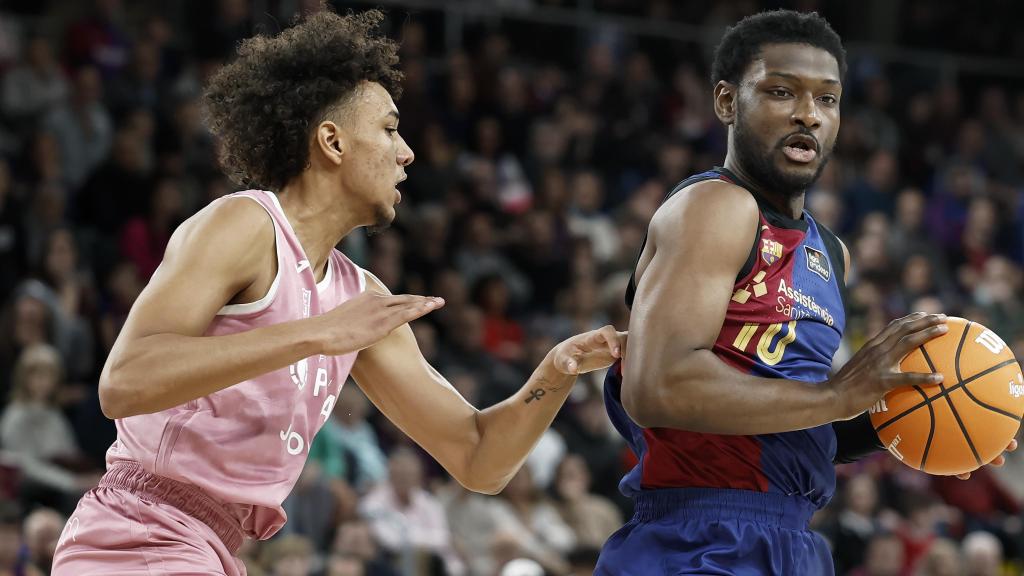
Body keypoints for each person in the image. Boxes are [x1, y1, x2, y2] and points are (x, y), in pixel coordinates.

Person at [51, 10, 625, 575]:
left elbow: (479, 459)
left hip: (215, 547)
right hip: (141, 529)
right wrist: (316, 334)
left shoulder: (359, 295)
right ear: (332, 141)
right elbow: (124, 381)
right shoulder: (245, 224)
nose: (408, 154)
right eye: (390, 128)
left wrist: (555, 372)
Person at [596, 10, 1013, 575]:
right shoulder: (714, 208)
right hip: (697, 540)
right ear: (726, 102)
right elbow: (657, 385)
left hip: (791, 540)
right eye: (781, 91)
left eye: (828, 99)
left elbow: (791, 426)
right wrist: (837, 396)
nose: (808, 115)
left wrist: (929, 419)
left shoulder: (830, 253)